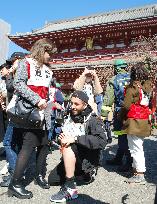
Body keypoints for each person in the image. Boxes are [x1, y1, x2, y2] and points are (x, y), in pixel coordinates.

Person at [7, 38, 57, 199]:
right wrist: (37, 100)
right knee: (28, 145)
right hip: (30, 110)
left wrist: (51, 102)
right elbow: (18, 84)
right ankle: (15, 183)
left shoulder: (48, 70)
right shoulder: (25, 63)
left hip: (44, 111)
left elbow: (49, 89)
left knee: (44, 144)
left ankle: (39, 175)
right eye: (49, 53)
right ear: (42, 50)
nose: (51, 57)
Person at [49, 90, 107, 203]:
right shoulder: (69, 116)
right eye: (72, 103)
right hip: (71, 156)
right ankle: (81, 173)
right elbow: (61, 134)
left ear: (85, 104)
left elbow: (102, 141)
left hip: (88, 157)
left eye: (77, 104)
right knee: (52, 180)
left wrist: (75, 139)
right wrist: (60, 138)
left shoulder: (93, 119)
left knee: (68, 145)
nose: (73, 106)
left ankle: (71, 188)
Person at [119, 62, 152, 183]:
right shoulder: (148, 86)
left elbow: (127, 106)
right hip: (144, 119)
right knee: (138, 145)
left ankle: (140, 173)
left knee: (135, 148)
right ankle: (135, 169)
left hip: (134, 120)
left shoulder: (132, 88)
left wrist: (121, 116)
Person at [0, 52, 26, 187]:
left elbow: (11, 88)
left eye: (13, 62)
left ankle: (15, 174)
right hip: (19, 114)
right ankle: (18, 172)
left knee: (8, 142)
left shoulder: (21, 73)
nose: (11, 65)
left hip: (18, 114)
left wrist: (9, 74)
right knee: (18, 143)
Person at [105, 59, 133, 172]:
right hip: (133, 113)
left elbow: (108, 100)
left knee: (121, 136)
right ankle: (119, 157)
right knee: (129, 136)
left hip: (120, 113)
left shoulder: (114, 80)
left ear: (115, 68)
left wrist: (103, 115)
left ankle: (129, 162)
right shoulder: (133, 78)